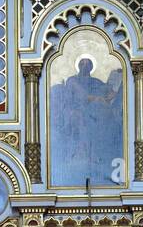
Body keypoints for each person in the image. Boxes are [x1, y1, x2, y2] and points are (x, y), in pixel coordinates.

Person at [49, 57, 124, 186]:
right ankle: (81, 153)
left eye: (87, 63)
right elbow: (76, 96)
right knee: (81, 118)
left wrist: (120, 77)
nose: (85, 65)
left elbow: (110, 93)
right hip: (75, 110)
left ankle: (96, 154)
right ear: (78, 65)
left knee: (104, 118)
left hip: (93, 111)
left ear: (91, 67)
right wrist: (95, 98)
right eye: (82, 63)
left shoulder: (96, 81)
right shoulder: (72, 80)